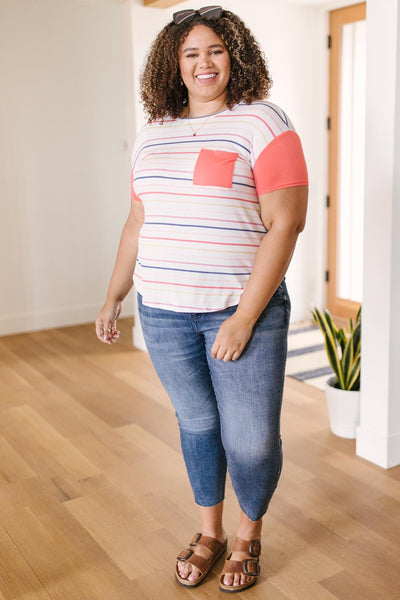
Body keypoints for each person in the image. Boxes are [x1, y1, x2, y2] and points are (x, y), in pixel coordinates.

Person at [95, 5, 308, 594]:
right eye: (190, 53)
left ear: (235, 56)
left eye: (215, 49)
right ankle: (210, 532)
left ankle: (248, 534)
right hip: (163, 313)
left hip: (241, 313)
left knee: (251, 438)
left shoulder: (264, 123)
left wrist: (242, 318)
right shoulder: (153, 134)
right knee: (197, 425)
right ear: (174, 64)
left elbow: (286, 224)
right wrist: (115, 296)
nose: (203, 62)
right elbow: (138, 223)